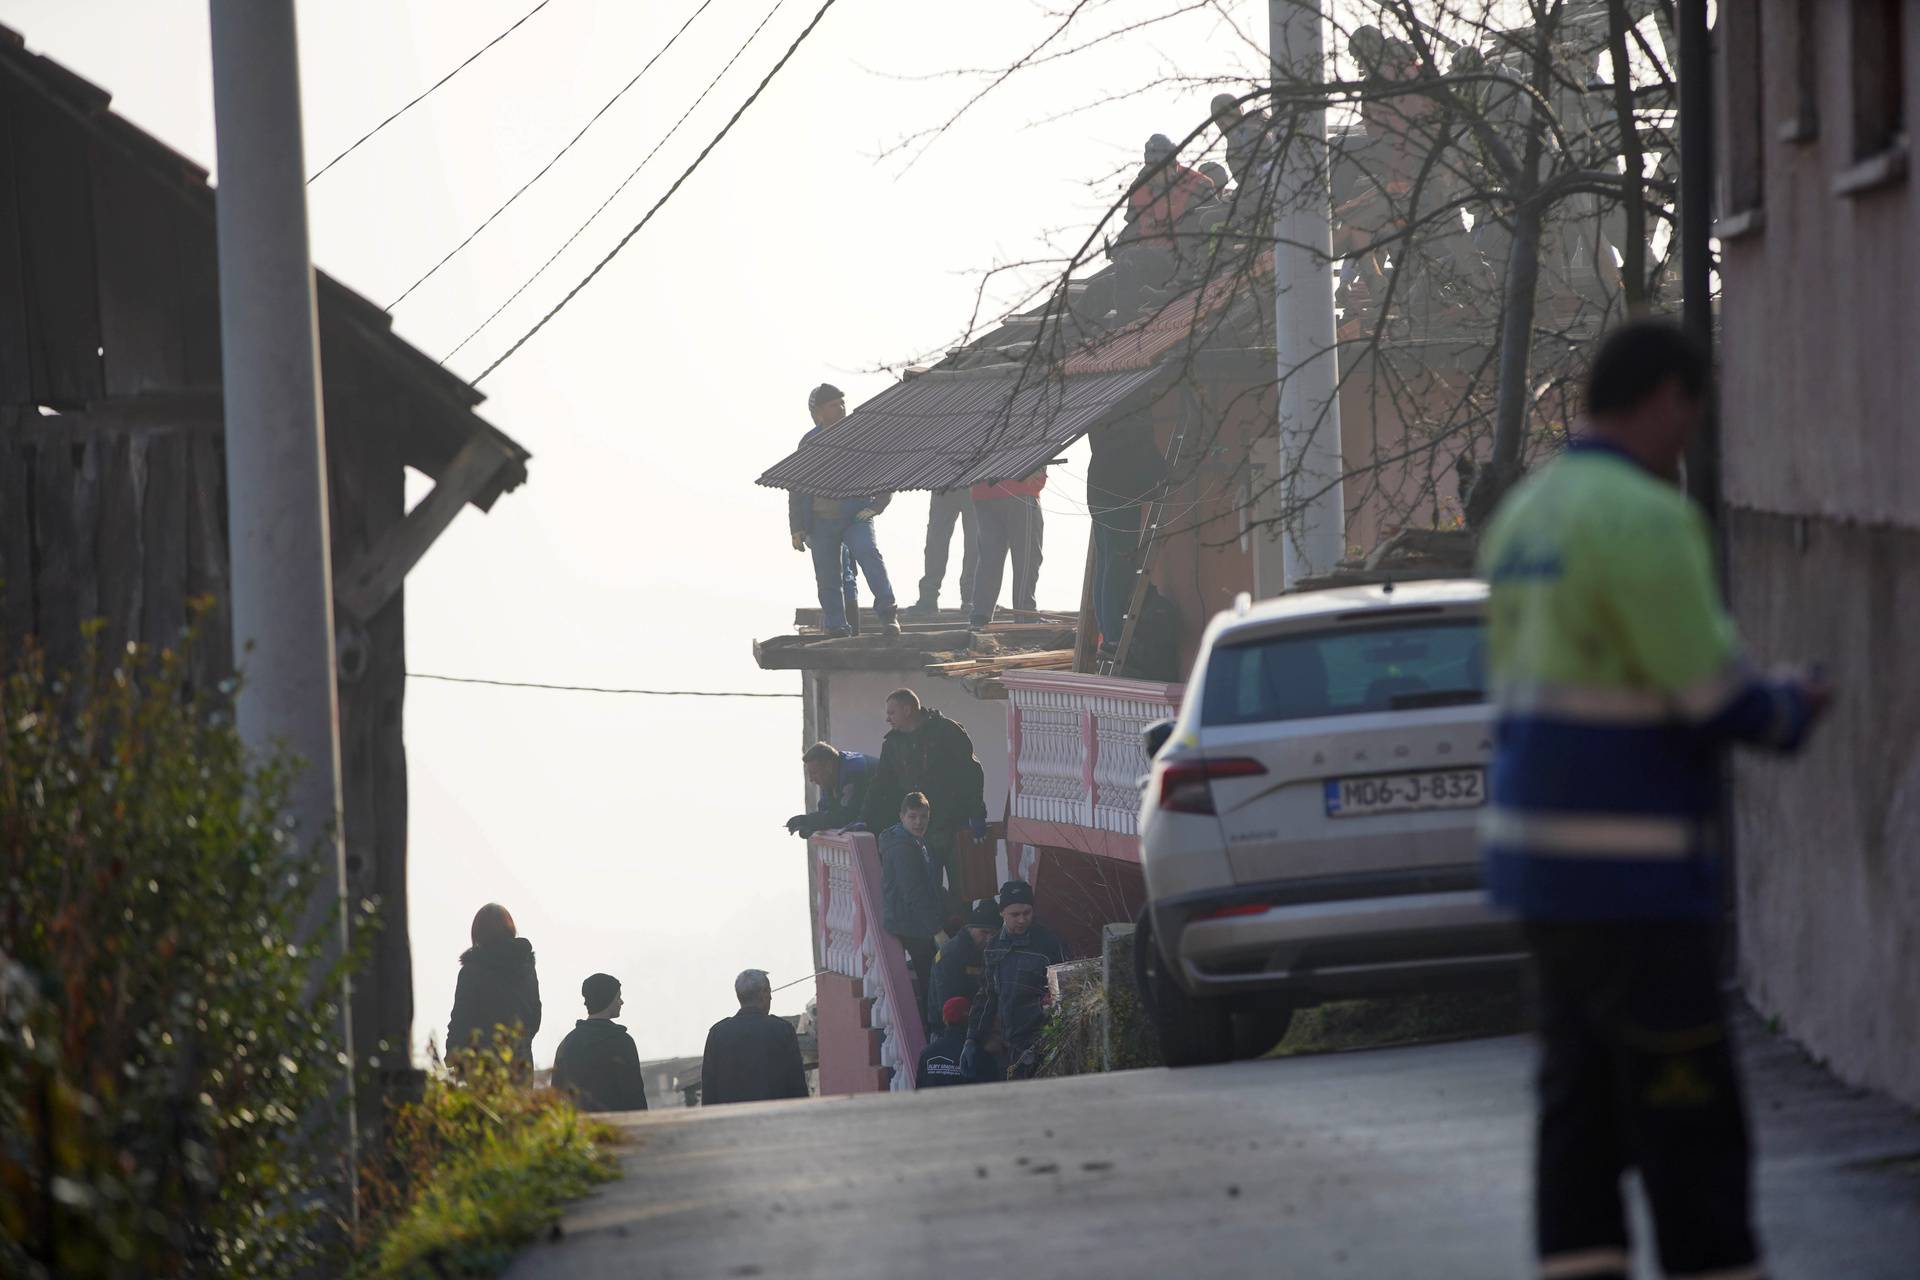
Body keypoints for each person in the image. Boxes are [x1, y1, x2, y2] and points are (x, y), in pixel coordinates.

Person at [1478, 320, 1835, 1280]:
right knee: (1687, 1110)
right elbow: (1713, 696)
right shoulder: (1647, 519)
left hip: (1537, 870)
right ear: (1667, 397)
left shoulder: (1523, 519)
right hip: (1631, 872)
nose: (1693, 434)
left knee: (1577, 1108)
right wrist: (1791, 705)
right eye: (1694, 410)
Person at [788, 383, 901, 639]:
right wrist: (797, 528)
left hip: (855, 516)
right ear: (818, 412)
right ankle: (837, 628)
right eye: (832, 405)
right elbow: (795, 488)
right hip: (820, 521)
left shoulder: (861, 437)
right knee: (828, 578)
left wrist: (876, 506)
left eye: (842, 403)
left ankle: (888, 616)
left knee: (868, 554)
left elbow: (886, 473)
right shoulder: (809, 443)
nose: (840, 409)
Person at [860, 689, 988, 902]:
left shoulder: (947, 731)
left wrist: (977, 814)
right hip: (921, 829)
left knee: (963, 891)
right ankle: (937, 934)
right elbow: (879, 785)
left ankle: (963, 932)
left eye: (892, 713)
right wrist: (863, 819)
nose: (887, 719)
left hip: (955, 824)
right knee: (927, 892)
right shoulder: (893, 744)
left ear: (907, 709)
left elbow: (972, 773)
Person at [963, 880, 1068, 1082]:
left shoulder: (1050, 944)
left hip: (1043, 1042)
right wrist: (972, 1038)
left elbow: (1066, 993)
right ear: (1002, 913)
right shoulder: (992, 947)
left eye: (1027, 913)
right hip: (1006, 1045)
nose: (1022, 920)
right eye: (1015, 914)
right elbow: (986, 996)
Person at [1086, 410, 1167, 661]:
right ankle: (1112, 636)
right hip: (1120, 497)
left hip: (1099, 493)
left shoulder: (1105, 410)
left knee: (1106, 564)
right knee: (1117, 565)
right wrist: (1166, 474)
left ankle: (1107, 633)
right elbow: (1146, 455)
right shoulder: (1136, 419)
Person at [446, 903, 542, 1072]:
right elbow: (535, 1014)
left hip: (481, 1064)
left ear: (477, 933)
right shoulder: (527, 968)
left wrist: (452, 1053)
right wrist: (522, 1045)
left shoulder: (472, 970)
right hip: (520, 1063)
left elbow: (461, 1016)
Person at [880, 792, 947, 1028]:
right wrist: (936, 929)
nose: (919, 822)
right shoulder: (902, 848)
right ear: (902, 817)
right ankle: (933, 1026)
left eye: (923, 816)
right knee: (931, 976)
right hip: (908, 923)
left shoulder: (918, 840)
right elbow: (914, 892)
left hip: (917, 919)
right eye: (912, 817)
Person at [700, 969, 810, 1106]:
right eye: (770, 992)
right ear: (763, 993)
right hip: (775, 1122)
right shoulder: (782, 1031)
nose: (771, 997)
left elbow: (709, 1095)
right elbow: (797, 1088)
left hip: (731, 1124)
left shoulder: (717, 1034)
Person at [550, 973, 648, 1113]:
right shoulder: (623, 1042)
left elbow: (556, 1094)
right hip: (618, 1128)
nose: (621, 1002)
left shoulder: (568, 1043)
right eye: (618, 997)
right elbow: (635, 1095)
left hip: (581, 1129)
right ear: (607, 999)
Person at [967, 469, 1046, 629]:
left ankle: (980, 615)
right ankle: (1025, 613)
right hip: (1020, 488)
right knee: (1027, 558)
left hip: (983, 490)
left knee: (989, 559)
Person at [926, 896, 1001, 1029]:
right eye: (984, 932)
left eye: (993, 933)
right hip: (949, 1027)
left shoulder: (991, 950)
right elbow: (948, 1006)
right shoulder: (951, 955)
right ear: (970, 929)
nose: (989, 939)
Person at [911, 487, 978, 616]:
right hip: (947, 482)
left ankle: (971, 598)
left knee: (974, 543)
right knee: (936, 543)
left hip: (963, 481)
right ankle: (930, 598)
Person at [786, 742, 875, 836]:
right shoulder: (830, 776)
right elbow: (826, 811)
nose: (811, 779)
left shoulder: (853, 770)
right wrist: (811, 826)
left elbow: (846, 815)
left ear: (828, 766)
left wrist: (808, 821)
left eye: (814, 773)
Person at [916, 997, 987, 1089]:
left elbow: (918, 1090)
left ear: (944, 1019)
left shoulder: (927, 1053)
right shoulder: (974, 1052)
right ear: (968, 1018)